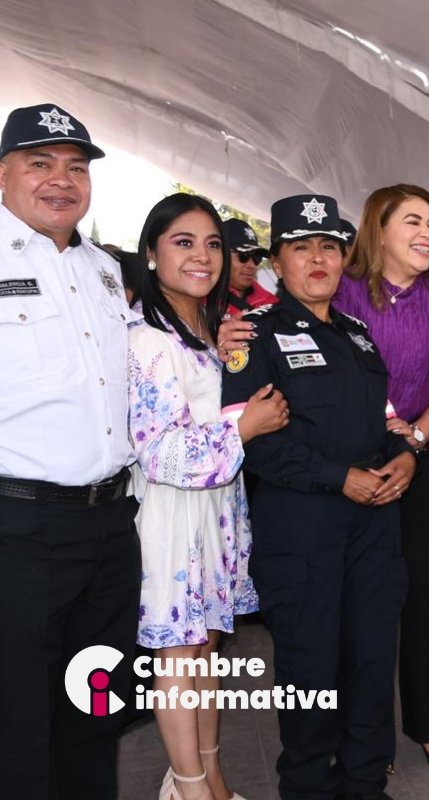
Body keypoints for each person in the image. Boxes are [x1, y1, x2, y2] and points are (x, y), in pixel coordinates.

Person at [221, 194, 414, 800]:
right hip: (301, 537)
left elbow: (386, 420)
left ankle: (364, 783)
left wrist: (409, 454)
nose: (317, 259)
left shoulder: (356, 334)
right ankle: (306, 787)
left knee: (371, 661)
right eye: (301, 248)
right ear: (278, 260)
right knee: (310, 671)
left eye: (328, 246)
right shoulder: (254, 338)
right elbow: (255, 444)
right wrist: (342, 478)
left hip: (373, 533)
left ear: (344, 256)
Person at [0, 103, 141, 800]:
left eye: (76, 167)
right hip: (22, 531)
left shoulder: (105, 270)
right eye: (39, 162)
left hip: (112, 527)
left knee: (96, 705)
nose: (62, 180)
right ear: (3, 175)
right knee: (19, 722)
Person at [127, 192, 286, 800]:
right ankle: (190, 789)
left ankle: (208, 773)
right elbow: (160, 452)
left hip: (214, 510)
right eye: (183, 242)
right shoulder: (146, 339)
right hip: (171, 515)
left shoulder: (197, 326)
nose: (203, 256)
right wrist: (242, 427)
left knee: (207, 649)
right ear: (151, 253)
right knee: (180, 655)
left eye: (213, 244)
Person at [334, 184, 429, 776]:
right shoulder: (336, 292)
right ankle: (361, 736)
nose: (427, 231)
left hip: (418, 452)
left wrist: (413, 444)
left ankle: (428, 725)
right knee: (357, 602)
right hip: (348, 459)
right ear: (379, 229)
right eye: (412, 220)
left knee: (422, 591)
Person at [221, 218, 277, 313]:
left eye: (256, 258)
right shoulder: (199, 302)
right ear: (222, 257)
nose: (252, 265)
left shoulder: (272, 304)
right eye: (243, 256)